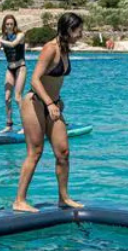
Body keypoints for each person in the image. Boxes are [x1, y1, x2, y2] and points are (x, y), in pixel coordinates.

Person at [13, 12, 84, 213]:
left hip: (52, 104)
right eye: (79, 30)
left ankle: (63, 198)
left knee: (63, 153)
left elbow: (54, 82)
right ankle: (19, 200)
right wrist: (50, 103)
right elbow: (35, 79)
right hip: (34, 102)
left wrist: (57, 101)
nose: (81, 34)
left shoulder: (65, 50)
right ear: (69, 29)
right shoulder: (50, 49)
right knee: (35, 152)